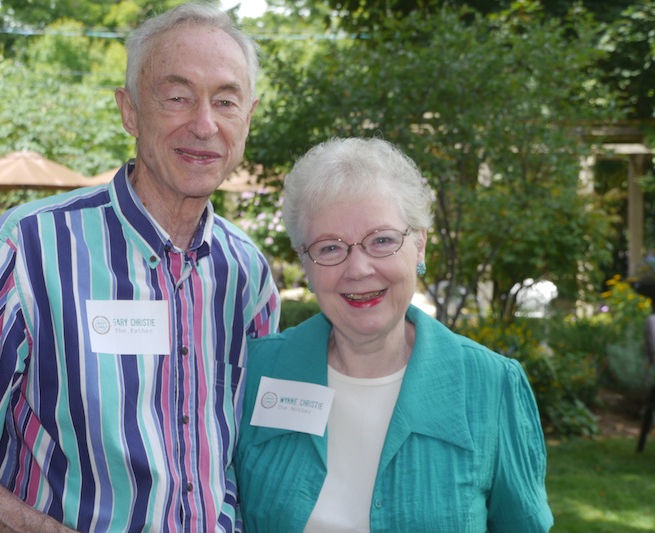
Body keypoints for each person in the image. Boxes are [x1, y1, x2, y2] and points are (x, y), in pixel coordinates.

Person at [0, 4, 280, 532]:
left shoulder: (248, 273)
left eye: (225, 101)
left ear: (247, 118)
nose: (204, 124)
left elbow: (250, 460)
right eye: (177, 96)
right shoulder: (31, 246)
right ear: (130, 111)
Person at [234, 137, 554, 532]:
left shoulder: (492, 387)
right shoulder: (255, 373)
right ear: (306, 263)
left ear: (419, 246)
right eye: (330, 248)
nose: (359, 268)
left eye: (382, 240)